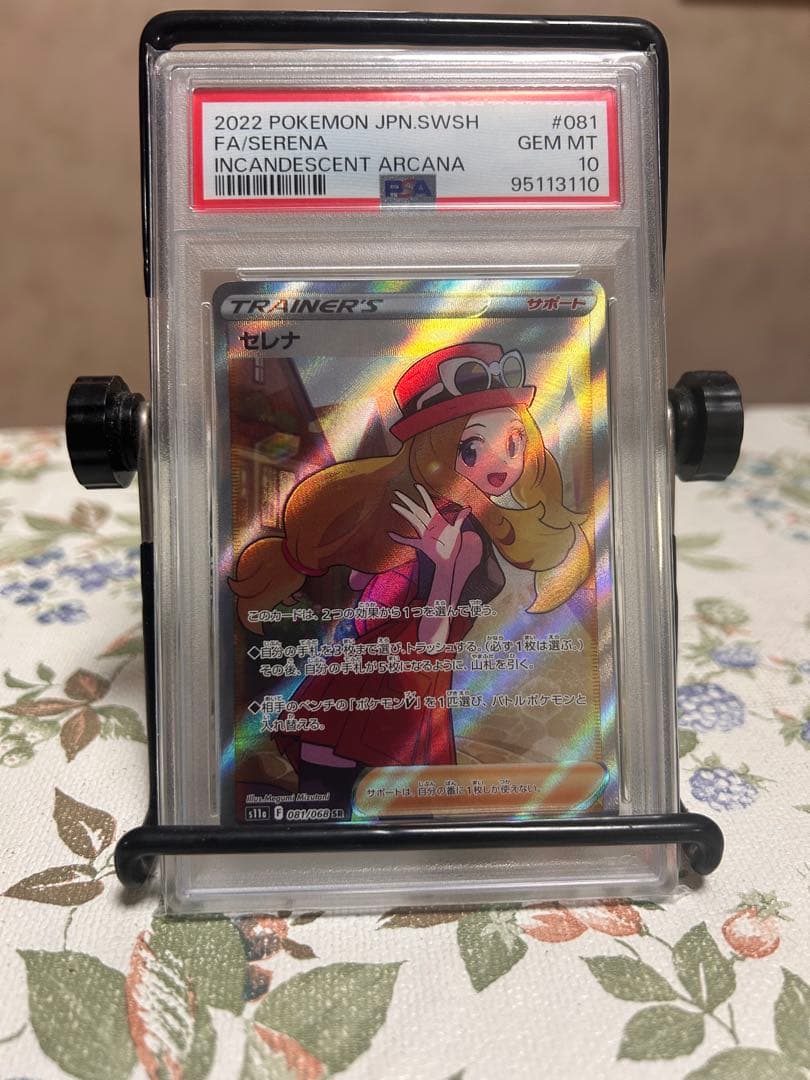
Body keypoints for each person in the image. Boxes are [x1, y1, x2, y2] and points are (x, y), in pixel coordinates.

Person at [230, 341, 591, 809]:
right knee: (332, 799)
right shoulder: (416, 521)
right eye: (471, 447)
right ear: (434, 449)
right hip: (366, 685)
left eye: (513, 443)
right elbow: (376, 613)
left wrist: (440, 565)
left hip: (403, 689)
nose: (500, 463)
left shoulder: (464, 539)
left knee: (382, 803)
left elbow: (430, 639)